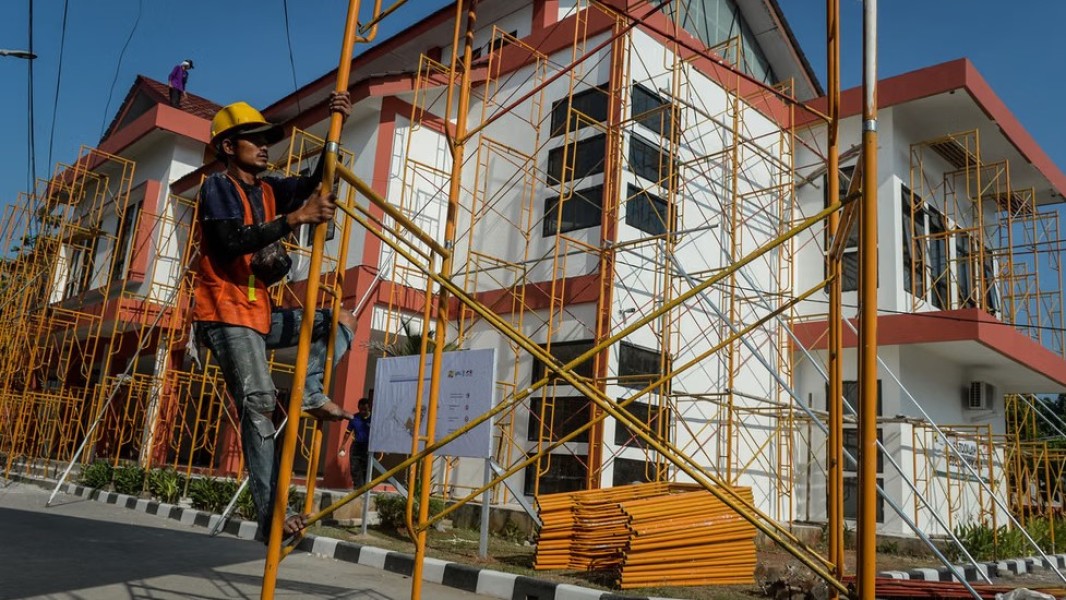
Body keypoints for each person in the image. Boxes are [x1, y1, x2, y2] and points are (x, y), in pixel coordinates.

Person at [193, 92, 356, 540]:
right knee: (260, 402)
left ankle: (311, 392)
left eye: (267, 139)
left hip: (258, 316)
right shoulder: (217, 187)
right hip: (225, 314)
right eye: (255, 139)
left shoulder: (268, 189)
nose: (265, 146)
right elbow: (228, 242)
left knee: (341, 318)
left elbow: (312, 180)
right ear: (229, 147)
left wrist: (335, 122)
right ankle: (271, 517)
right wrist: (294, 220)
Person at [340, 398, 372, 487]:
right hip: (356, 446)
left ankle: (366, 487)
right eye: (361, 409)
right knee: (355, 467)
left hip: (368, 446)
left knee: (366, 467)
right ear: (358, 408)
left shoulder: (373, 419)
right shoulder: (354, 418)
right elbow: (347, 432)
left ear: (369, 408)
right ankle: (358, 488)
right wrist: (343, 445)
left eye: (365, 409)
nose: (362, 412)